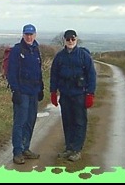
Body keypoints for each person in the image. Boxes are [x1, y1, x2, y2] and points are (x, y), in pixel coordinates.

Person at [49, 29, 97, 161]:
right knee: (67, 122)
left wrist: (90, 94)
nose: (70, 41)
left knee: (80, 122)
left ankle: (77, 149)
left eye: (73, 39)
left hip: (79, 95)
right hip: (65, 95)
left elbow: (91, 76)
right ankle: (69, 148)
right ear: (64, 40)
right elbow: (54, 75)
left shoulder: (84, 56)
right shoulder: (59, 57)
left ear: (76, 40)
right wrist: (53, 92)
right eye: (68, 39)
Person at [6, 24, 44, 164]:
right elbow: (12, 72)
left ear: (35, 35)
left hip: (34, 91)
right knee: (20, 122)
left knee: (30, 121)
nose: (29, 37)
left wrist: (41, 88)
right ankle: (17, 152)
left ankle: (25, 148)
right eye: (27, 34)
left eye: (31, 34)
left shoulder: (36, 49)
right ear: (23, 35)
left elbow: (38, 70)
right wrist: (15, 90)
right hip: (22, 92)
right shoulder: (17, 50)